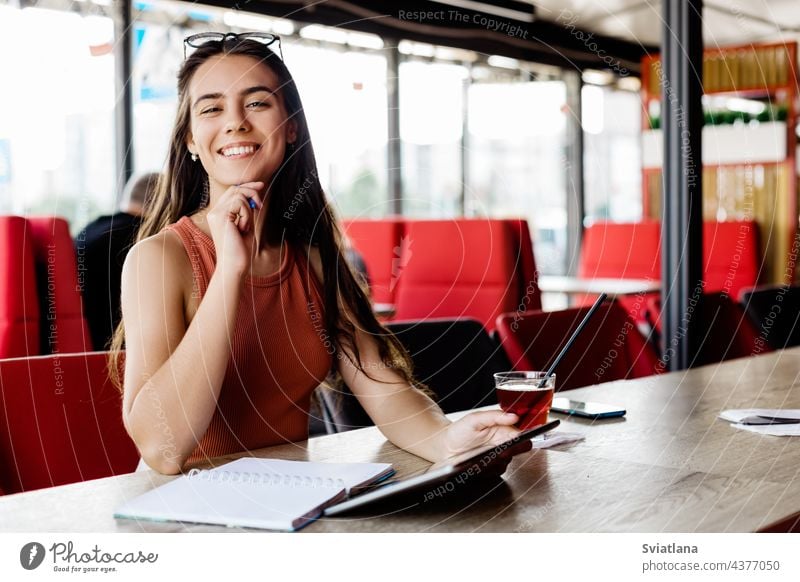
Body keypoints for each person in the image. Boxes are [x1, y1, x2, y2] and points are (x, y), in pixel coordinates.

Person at [110, 32, 523, 475]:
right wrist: (230, 268)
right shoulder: (158, 259)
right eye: (211, 108)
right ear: (191, 139)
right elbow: (161, 449)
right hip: (180, 515)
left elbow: (381, 385)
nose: (235, 122)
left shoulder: (314, 260)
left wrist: (447, 439)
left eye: (257, 103)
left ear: (290, 127)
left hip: (292, 505)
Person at [76, 172, 159, 350]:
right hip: (113, 351)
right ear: (163, 202)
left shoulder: (91, 229)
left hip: (81, 344)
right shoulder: (144, 240)